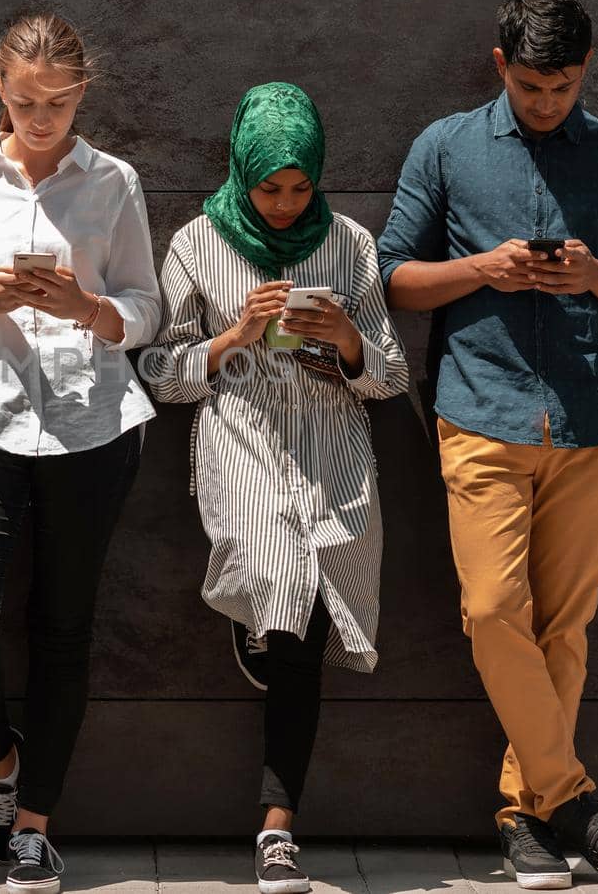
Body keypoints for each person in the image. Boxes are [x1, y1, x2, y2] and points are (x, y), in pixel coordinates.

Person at [377, 0, 598, 891]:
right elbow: (391, 276)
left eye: (566, 85)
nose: (549, 102)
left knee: (566, 630)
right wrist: (484, 269)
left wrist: (594, 276)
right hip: (479, 413)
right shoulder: (446, 146)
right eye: (534, 85)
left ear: (588, 69)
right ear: (500, 64)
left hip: (592, 422)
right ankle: (578, 800)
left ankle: (526, 817)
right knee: (491, 611)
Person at [0, 12, 160, 894]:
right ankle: (0, 763)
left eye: (56, 101)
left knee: (64, 625)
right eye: (23, 100)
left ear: (84, 92)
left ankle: (35, 828)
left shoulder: (114, 181)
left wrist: (83, 304)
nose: (40, 117)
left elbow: (145, 306)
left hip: (93, 422)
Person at [145, 82, 406, 894]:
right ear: (240, 171)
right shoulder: (195, 240)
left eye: (300, 187)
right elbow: (162, 373)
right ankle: (266, 615)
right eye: (270, 188)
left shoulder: (352, 245)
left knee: (311, 622)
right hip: (245, 446)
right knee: (286, 590)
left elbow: (392, 373)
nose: (288, 203)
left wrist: (347, 339)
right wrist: (235, 334)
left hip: (334, 455)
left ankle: (277, 830)